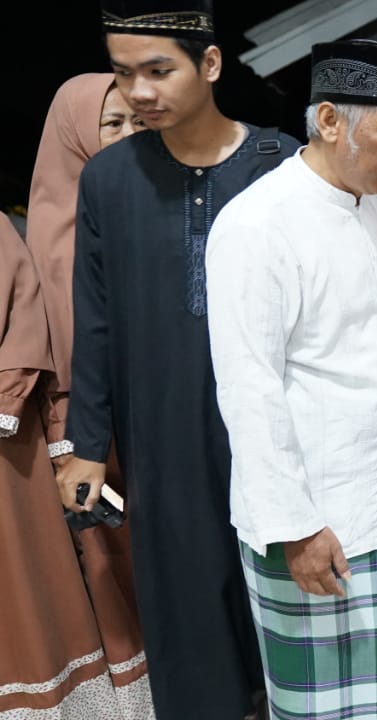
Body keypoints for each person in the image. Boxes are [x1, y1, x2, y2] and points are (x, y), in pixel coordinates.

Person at [54, 2, 302, 718]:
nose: (139, 93)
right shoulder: (108, 181)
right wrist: (87, 447)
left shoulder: (281, 166)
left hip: (272, 430)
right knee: (185, 615)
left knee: (283, 600)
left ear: (211, 65)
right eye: (125, 74)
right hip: (160, 432)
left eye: (158, 70)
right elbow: (94, 322)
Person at [205, 39, 377, 719]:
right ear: (330, 120)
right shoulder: (256, 224)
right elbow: (249, 389)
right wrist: (295, 529)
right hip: (311, 518)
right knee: (319, 707)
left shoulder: (374, 207)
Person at [15, 70, 153, 717]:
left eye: (137, 123)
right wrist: (70, 442)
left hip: (154, 426)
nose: (127, 137)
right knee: (113, 573)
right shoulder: (44, 238)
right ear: (74, 135)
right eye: (112, 124)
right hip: (88, 439)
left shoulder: (146, 209)